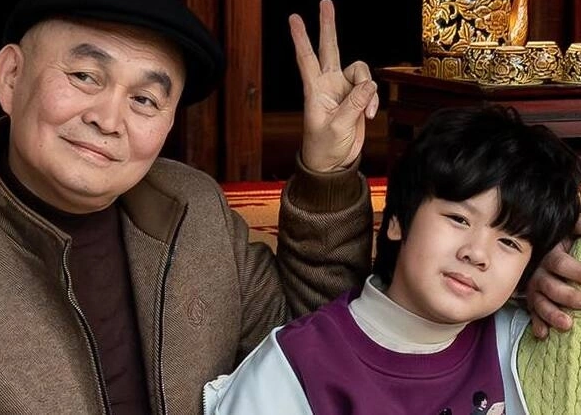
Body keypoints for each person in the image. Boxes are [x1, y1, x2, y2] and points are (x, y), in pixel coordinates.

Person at [0, 0, 578, 413]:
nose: (108, 118)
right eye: (85, 76)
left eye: (145, 98)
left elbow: (316, 336)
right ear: (10, 76)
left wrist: (521, 265)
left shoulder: (190, 207)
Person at [202, 105, 581, 414]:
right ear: (398, 219)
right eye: (458, 219)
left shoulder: (518, 343)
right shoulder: (294, 370)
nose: (477, 253)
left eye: (509, 242)